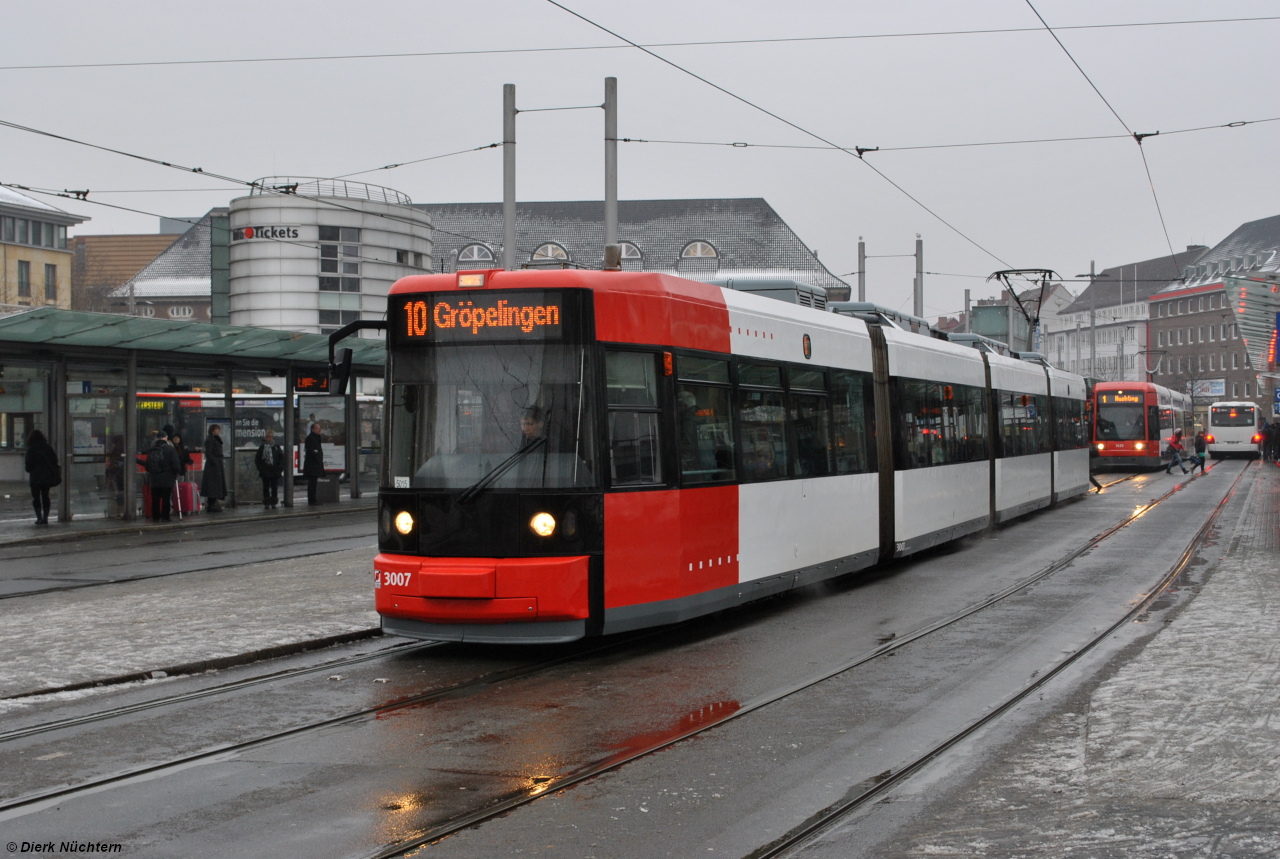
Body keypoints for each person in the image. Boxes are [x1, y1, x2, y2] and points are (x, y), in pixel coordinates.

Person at [24, 429, 59, 526]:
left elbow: (28, 466)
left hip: (35, 478)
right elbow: (55, 460)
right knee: (45, 496)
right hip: (46, 477)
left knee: (36, 498)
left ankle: (39, 517)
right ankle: (45, 517)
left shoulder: (31, 449)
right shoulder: (47, 448)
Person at [144, 430, 181, 522]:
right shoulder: (170, 449)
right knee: (166, 498)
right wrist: (176, 473)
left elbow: (147, 466)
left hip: (155, 478)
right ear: (166, 438)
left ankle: (155, 517)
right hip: (167, 478)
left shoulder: (151, 450)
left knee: (155, 499)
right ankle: (165, 517)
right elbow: (176, 464)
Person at [255, 429, 285, 508]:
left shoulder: (276, 447)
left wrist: (279, 468)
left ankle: (273, 503)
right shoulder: (262, 447)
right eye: (267, 437)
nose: (268, 439)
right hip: (265, 471)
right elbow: (257, 459)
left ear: (272, 438)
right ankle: (267, 503)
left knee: (274, 488)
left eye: (269, 437)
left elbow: (282, 458)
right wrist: (261, 468)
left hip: (274, 471)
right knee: (266, 488)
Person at [202, 424, 228, 512]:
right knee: (213, 486)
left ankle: (213, 503)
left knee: (215, 486)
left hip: (216, 464)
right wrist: (215, 462)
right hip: (214, 466)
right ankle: (212, 504)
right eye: (217, 429)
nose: (218, 431)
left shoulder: (214, 438)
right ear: (213, 430)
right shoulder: (210, 439)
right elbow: (208, 453)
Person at [303, 422, 325, 504]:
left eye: (319, 428)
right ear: (312, 429)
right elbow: (312, 451)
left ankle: (313, 499)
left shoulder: (316, 437)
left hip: (315, 464)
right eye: (317, 428)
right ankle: (312, 500)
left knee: (314, 482)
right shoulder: (310, 438)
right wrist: (317, 459)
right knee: (312, 483)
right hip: (312, 465)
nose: (319, 429)